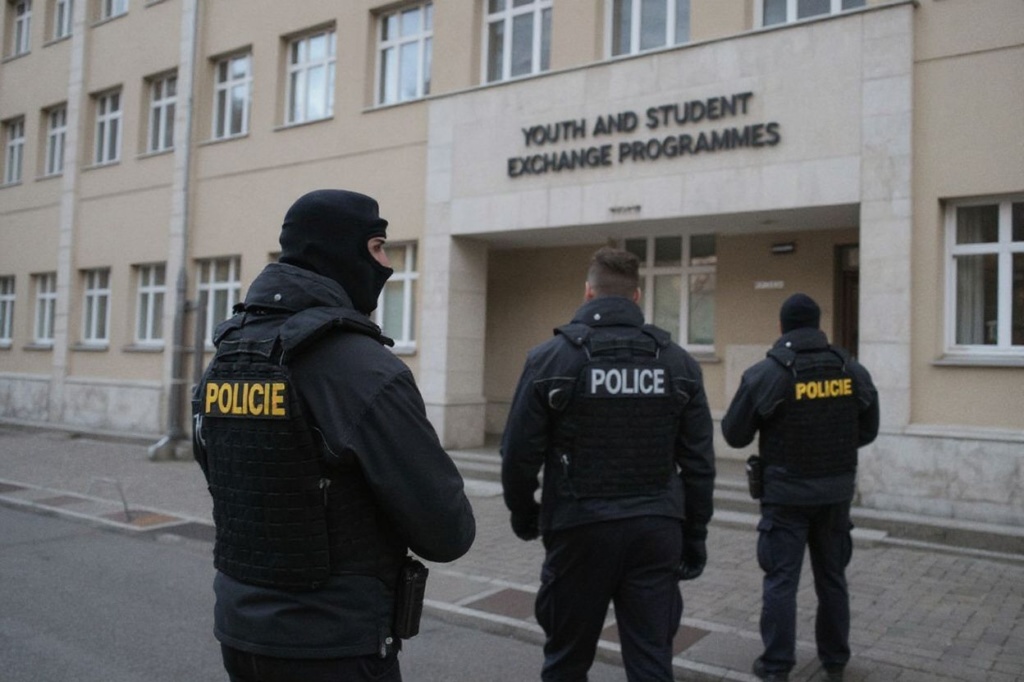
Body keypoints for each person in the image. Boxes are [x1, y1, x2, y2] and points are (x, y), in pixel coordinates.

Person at [192, 189, 476, 682]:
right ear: (342, 250)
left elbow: (225, 474)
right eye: (379, 247)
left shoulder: (230, 355)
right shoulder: (365, 369)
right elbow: (447, 530)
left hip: (239, 634)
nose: (387, 264)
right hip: (334, 645)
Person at [501, 246, 716, 682]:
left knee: (565, 661)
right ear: (636, 296)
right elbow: (699, 465)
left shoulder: (551, 358)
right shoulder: (679, 364)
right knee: (652, 661)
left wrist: (526, 515)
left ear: (588, 293)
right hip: (656, 531)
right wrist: (694, 537)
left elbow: (518, 454)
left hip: (579, 530)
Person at [721, 293, 879, 682]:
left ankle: (776, 666)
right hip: (835, 494)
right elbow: (869, 429)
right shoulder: (852, 370)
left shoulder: (768, 374)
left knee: (780, 581)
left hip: (786, 496)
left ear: (782, 327)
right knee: (832, 578)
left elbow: (734, 434)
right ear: (817, 324)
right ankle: (836, 661)